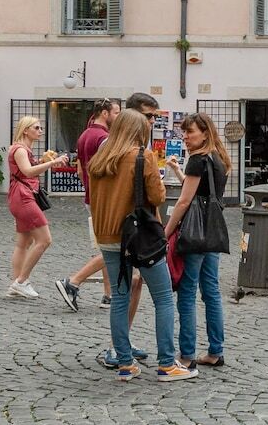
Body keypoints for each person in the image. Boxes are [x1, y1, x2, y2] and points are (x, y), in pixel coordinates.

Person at [85, 109, 191, 382]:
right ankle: (167, 364)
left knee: (119, 298)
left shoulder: (99, 160)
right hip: (139, 236)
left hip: (108, 236)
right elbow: (158, 196)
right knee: (164, 297)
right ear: (140, 132)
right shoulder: (141, 158)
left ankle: (124, 363)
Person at [167, 113, 231, 371]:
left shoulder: (197, 159)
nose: (185, 136)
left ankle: (187, 354)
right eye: (184, 132)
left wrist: (166, 231)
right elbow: (201, 191)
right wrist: (177, 171)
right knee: (212, 291)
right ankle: (215, 351)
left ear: (205, 133)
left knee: (187, 292)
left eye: (190, 132)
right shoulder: (218, 159)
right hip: (212, 232)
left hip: (194, 234)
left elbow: (184, 201)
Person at [53, 98, 119, 312]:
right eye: (116, 113)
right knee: (115, 248)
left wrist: (90, 190)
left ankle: (109, 295)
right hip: (105, 200)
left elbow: (81, 170)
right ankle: (73, 281)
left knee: (105, 246)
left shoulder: (84, 136)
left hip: (91, 197)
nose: (118, 117)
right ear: (105, 113)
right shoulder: (104, 138)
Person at [5, 116, 66, 299]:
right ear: (26, 130)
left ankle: (17, 283)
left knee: (23, 242)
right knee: (44, 240)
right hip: (23, 197)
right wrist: (52, 163)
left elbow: (27, 170)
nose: (40, 131)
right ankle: (21, 281)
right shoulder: (20, 149)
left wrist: (41, 162)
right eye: (36, 128)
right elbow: (28, 172)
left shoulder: (21, 149)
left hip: (19, 195)